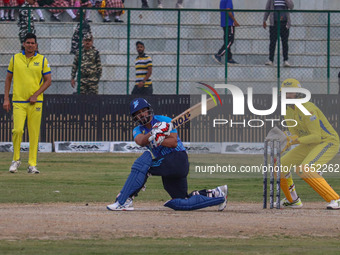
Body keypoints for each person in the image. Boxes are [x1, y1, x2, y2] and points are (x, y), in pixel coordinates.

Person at [107, 98, 228, 211]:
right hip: (166, 164)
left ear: (149, 110)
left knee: (144, 165)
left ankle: (125, 200)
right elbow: (140, 141)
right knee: (182, 200)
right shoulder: (138, 129)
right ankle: (217, 194)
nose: (142, 114)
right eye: (138, 113)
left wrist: (160, 139)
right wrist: (154, 133)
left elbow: (174, 143)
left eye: (144, 110)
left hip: (177, 159)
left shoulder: (165, 121)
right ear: (134, 117)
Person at [276, 78, 340, 210]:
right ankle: (293, 200)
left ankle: (336, 199)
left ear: (298, 93)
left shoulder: (308, 108)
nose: (288, 95)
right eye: (285, 93)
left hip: (327, 141)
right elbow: (295, 135)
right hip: (308, 143)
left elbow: (316, 137)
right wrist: (286, 143)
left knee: (304, 169)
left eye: (291, 92)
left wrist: (294, 140)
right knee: (279, 166)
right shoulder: (288, 111)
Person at [3, 33, 52, 174]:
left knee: (34, 133)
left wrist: (36, 95)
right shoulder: (15, 58)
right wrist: (6, 98)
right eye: (28, 43)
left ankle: (32, 164)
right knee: (17, 130)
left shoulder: (42, 60)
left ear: (36, 45)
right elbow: (8, 79)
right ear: (24, 44)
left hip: (35, 103)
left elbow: (48, 80)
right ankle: (16, 160)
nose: (30, 45)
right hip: (18, 101)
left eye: (33, 43)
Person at [263, 0, 294, 67]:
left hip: (284, 23)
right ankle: (271, 60)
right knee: (272, 42)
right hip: (274, 23)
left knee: (285, 42)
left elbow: (291, 7)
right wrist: (264, 20)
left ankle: (285, 60)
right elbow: (267, 8)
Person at [212, 0, 239, 65]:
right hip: (229, 23)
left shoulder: (222, 1)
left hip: (224, 23)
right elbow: (228, 11)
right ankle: (219, 54)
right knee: (230, 40)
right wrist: (235, 21)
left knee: (227, 41)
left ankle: (229, 58)